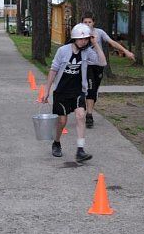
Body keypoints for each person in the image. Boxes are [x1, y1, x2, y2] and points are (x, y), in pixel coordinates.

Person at [40, 23, 107, 162]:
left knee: (81, 115)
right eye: (81, 39)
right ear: (74, 39)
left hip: (78, 91)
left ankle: (80, 150)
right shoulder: (63, 51)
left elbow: (102, 62)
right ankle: (56, 142)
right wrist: (46, 90)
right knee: (62, 121)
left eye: (86, 39)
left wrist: (95, 44)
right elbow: (53, 70)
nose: (84, 41)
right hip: (61, 91)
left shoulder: (87, 52)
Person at [81, 12, 135, 128]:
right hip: (87, 66)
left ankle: (88, 108)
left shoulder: (99, 32)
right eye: (85, 22)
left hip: (99, 65)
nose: (87, 24)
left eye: (89, 22)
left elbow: (112, 42)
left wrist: (126, 51)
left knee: (94, 91)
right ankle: (89, 116)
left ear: (93, 23)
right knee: (90, 89)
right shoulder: (79, 33)